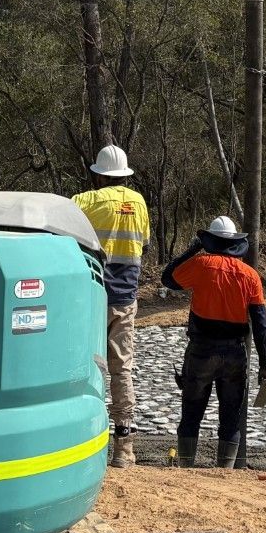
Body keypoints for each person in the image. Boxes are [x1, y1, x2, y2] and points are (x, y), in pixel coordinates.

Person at [161, 215, 266, 468]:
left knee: (191, 413)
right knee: (231, 418)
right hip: (235, 353)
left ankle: (187, 466)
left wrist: (193, 248)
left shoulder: (201, 265)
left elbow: (168, 278)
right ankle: (226, 472)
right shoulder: (250, 275)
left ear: (210, 241)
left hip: (201, 350)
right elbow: (261, 324)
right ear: (235, 243)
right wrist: (265, 363)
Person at [71, 144, 149, 468]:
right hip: (125, 298)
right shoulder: (140, 203)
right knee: (122, 369)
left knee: (87, 366)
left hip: (92, 296)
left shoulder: (86, 200)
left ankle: (84, 443)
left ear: (99, 175)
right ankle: (124, 448)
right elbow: (142, 245)